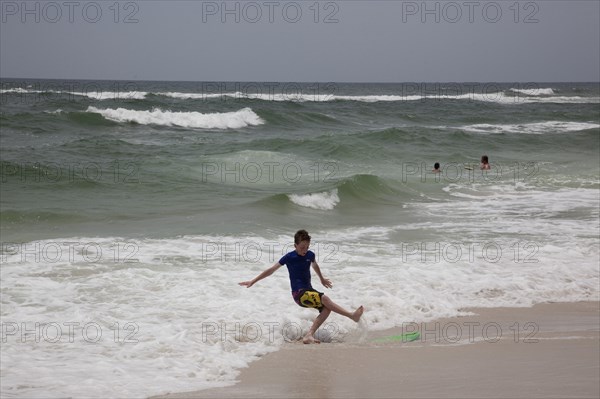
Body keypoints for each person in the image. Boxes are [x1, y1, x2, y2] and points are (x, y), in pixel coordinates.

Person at [239, 229, 364, 344]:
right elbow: (271, 270)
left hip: (309, 292)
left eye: (307, 247)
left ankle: (309, 335)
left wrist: (321, 279)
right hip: (299, 294)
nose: (305, 250)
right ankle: (351, 316)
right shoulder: (289, 257)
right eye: (302, 247)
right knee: (325, 299)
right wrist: (253, 281)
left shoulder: (310, 255)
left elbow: (315, 266)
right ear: (295, 246)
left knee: (326, 309)